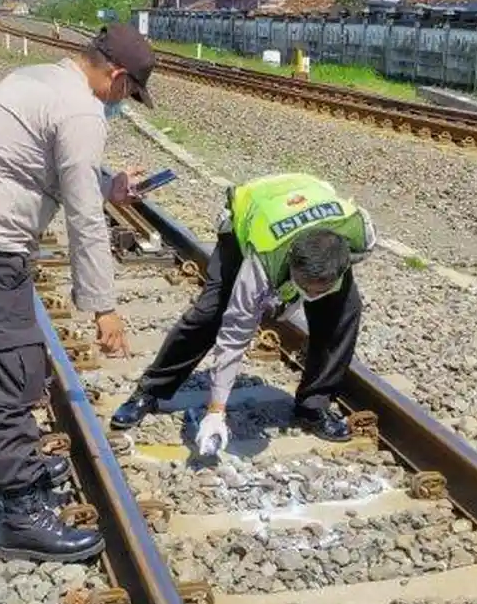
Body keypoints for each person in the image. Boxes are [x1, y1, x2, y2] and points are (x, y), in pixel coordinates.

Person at [0, 23, 157, 563]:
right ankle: (22, 514)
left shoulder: (38, 78)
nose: (125, 102)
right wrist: (103, 306)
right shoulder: (82, 112)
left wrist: (110, 185)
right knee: (12, 371)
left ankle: (12, 462)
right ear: (117, 76)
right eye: (130, 92)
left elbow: (45, 168)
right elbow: (84, 219)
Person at [110, 173, 378, 453]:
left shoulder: (360, 234)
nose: (310, 295)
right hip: (253, 216)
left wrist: (308, 293)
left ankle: (314, 406)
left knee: (344, 311)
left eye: (318, 289)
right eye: (304, 287)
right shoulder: (264, 258)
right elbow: (235, 332)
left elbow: (340, 267)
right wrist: (216, 411)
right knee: (210, 313)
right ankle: (150, 390)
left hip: (311, 208)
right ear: (290, 263)